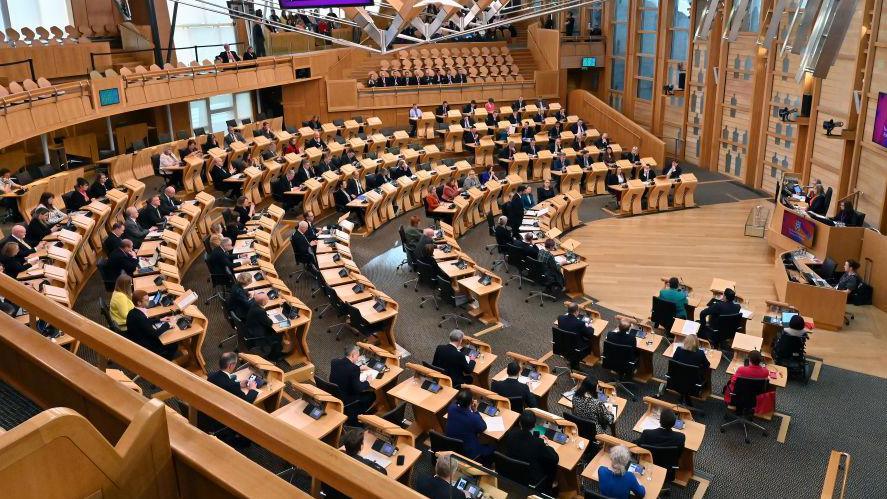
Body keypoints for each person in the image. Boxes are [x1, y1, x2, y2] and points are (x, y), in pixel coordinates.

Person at [199, 352, 258, 448]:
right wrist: (252, 390)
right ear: (230, 366)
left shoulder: (211, 375)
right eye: (235, 364)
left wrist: (238, 384)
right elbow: (246, 401)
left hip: (208, 413)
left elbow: (223, 384)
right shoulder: (230, 385)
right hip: (219, 420)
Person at [500, 410, 559, 494]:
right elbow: (555, 458)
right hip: (530, 477)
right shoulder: (538, 443)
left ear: (520, 423)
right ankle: (550, 486)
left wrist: (536, 438)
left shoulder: (510, 434)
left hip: (512, 472)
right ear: (535, 425)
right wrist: (546, 444)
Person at [321, 428, 387, 499]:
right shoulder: (367, 466)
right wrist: (370, 462)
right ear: (361, 446)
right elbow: (384, 473)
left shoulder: (333, 457)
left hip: (331, 494)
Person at [126, 290, 177, 359]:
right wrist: (168, 324)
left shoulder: (133, 312)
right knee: (173, 343)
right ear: (139, 303)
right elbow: (155, 334)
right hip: (146, 346)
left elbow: (145, 322)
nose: (149, 301)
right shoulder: (140, 317)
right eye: (146, 300)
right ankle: (167, 361)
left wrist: (160, 320)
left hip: (138, 339)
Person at [330, 344, 376, 420]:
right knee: (372, 395)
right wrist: (368, 381)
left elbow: (344, 369)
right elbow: (359, 389)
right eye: (357, 356)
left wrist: (358, 368)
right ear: (353, 355)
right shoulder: (353, 369)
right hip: (346, 399)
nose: (358, 359)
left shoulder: (335, 361)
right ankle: (359, 415)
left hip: (335, 394)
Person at [445, 390, 493, 462]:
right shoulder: (473, 417)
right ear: (471, 403)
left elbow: (455, 402)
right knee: (493, 448)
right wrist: (475, 410)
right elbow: (483, 427)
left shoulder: (451, 408)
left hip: (453, 446)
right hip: (468, 453)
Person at [245, 292, 281, 360]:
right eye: (267, 299)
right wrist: (269, 318)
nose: (268, 300)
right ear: (264, 302)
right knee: (278, 335)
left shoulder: (254, 304)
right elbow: (269, 323)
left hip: (250, 331)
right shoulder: (260, 311)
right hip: (258, 336)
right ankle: (274, 357)